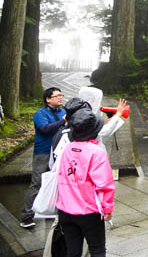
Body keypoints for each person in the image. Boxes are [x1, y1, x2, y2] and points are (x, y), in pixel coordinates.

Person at [56, 107, 115, 257]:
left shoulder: (68, 148)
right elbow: (104, 184)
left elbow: (62, 176)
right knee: (97, 249)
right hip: (88, 211)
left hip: (65, 210)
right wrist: (107, 208)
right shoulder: (96, 152)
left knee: (73, 251)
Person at [20, 87, 67, 228]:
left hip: (59, 152)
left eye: (61, 95)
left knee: (58, 183)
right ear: (48, 99)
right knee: (37, 183)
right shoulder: (41, 113)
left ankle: (52, 211)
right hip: (43, 152)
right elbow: (44, 129)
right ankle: (26, 216)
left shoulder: (63, 112)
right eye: (57, 96)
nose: (60, 97)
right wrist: (63, 121)